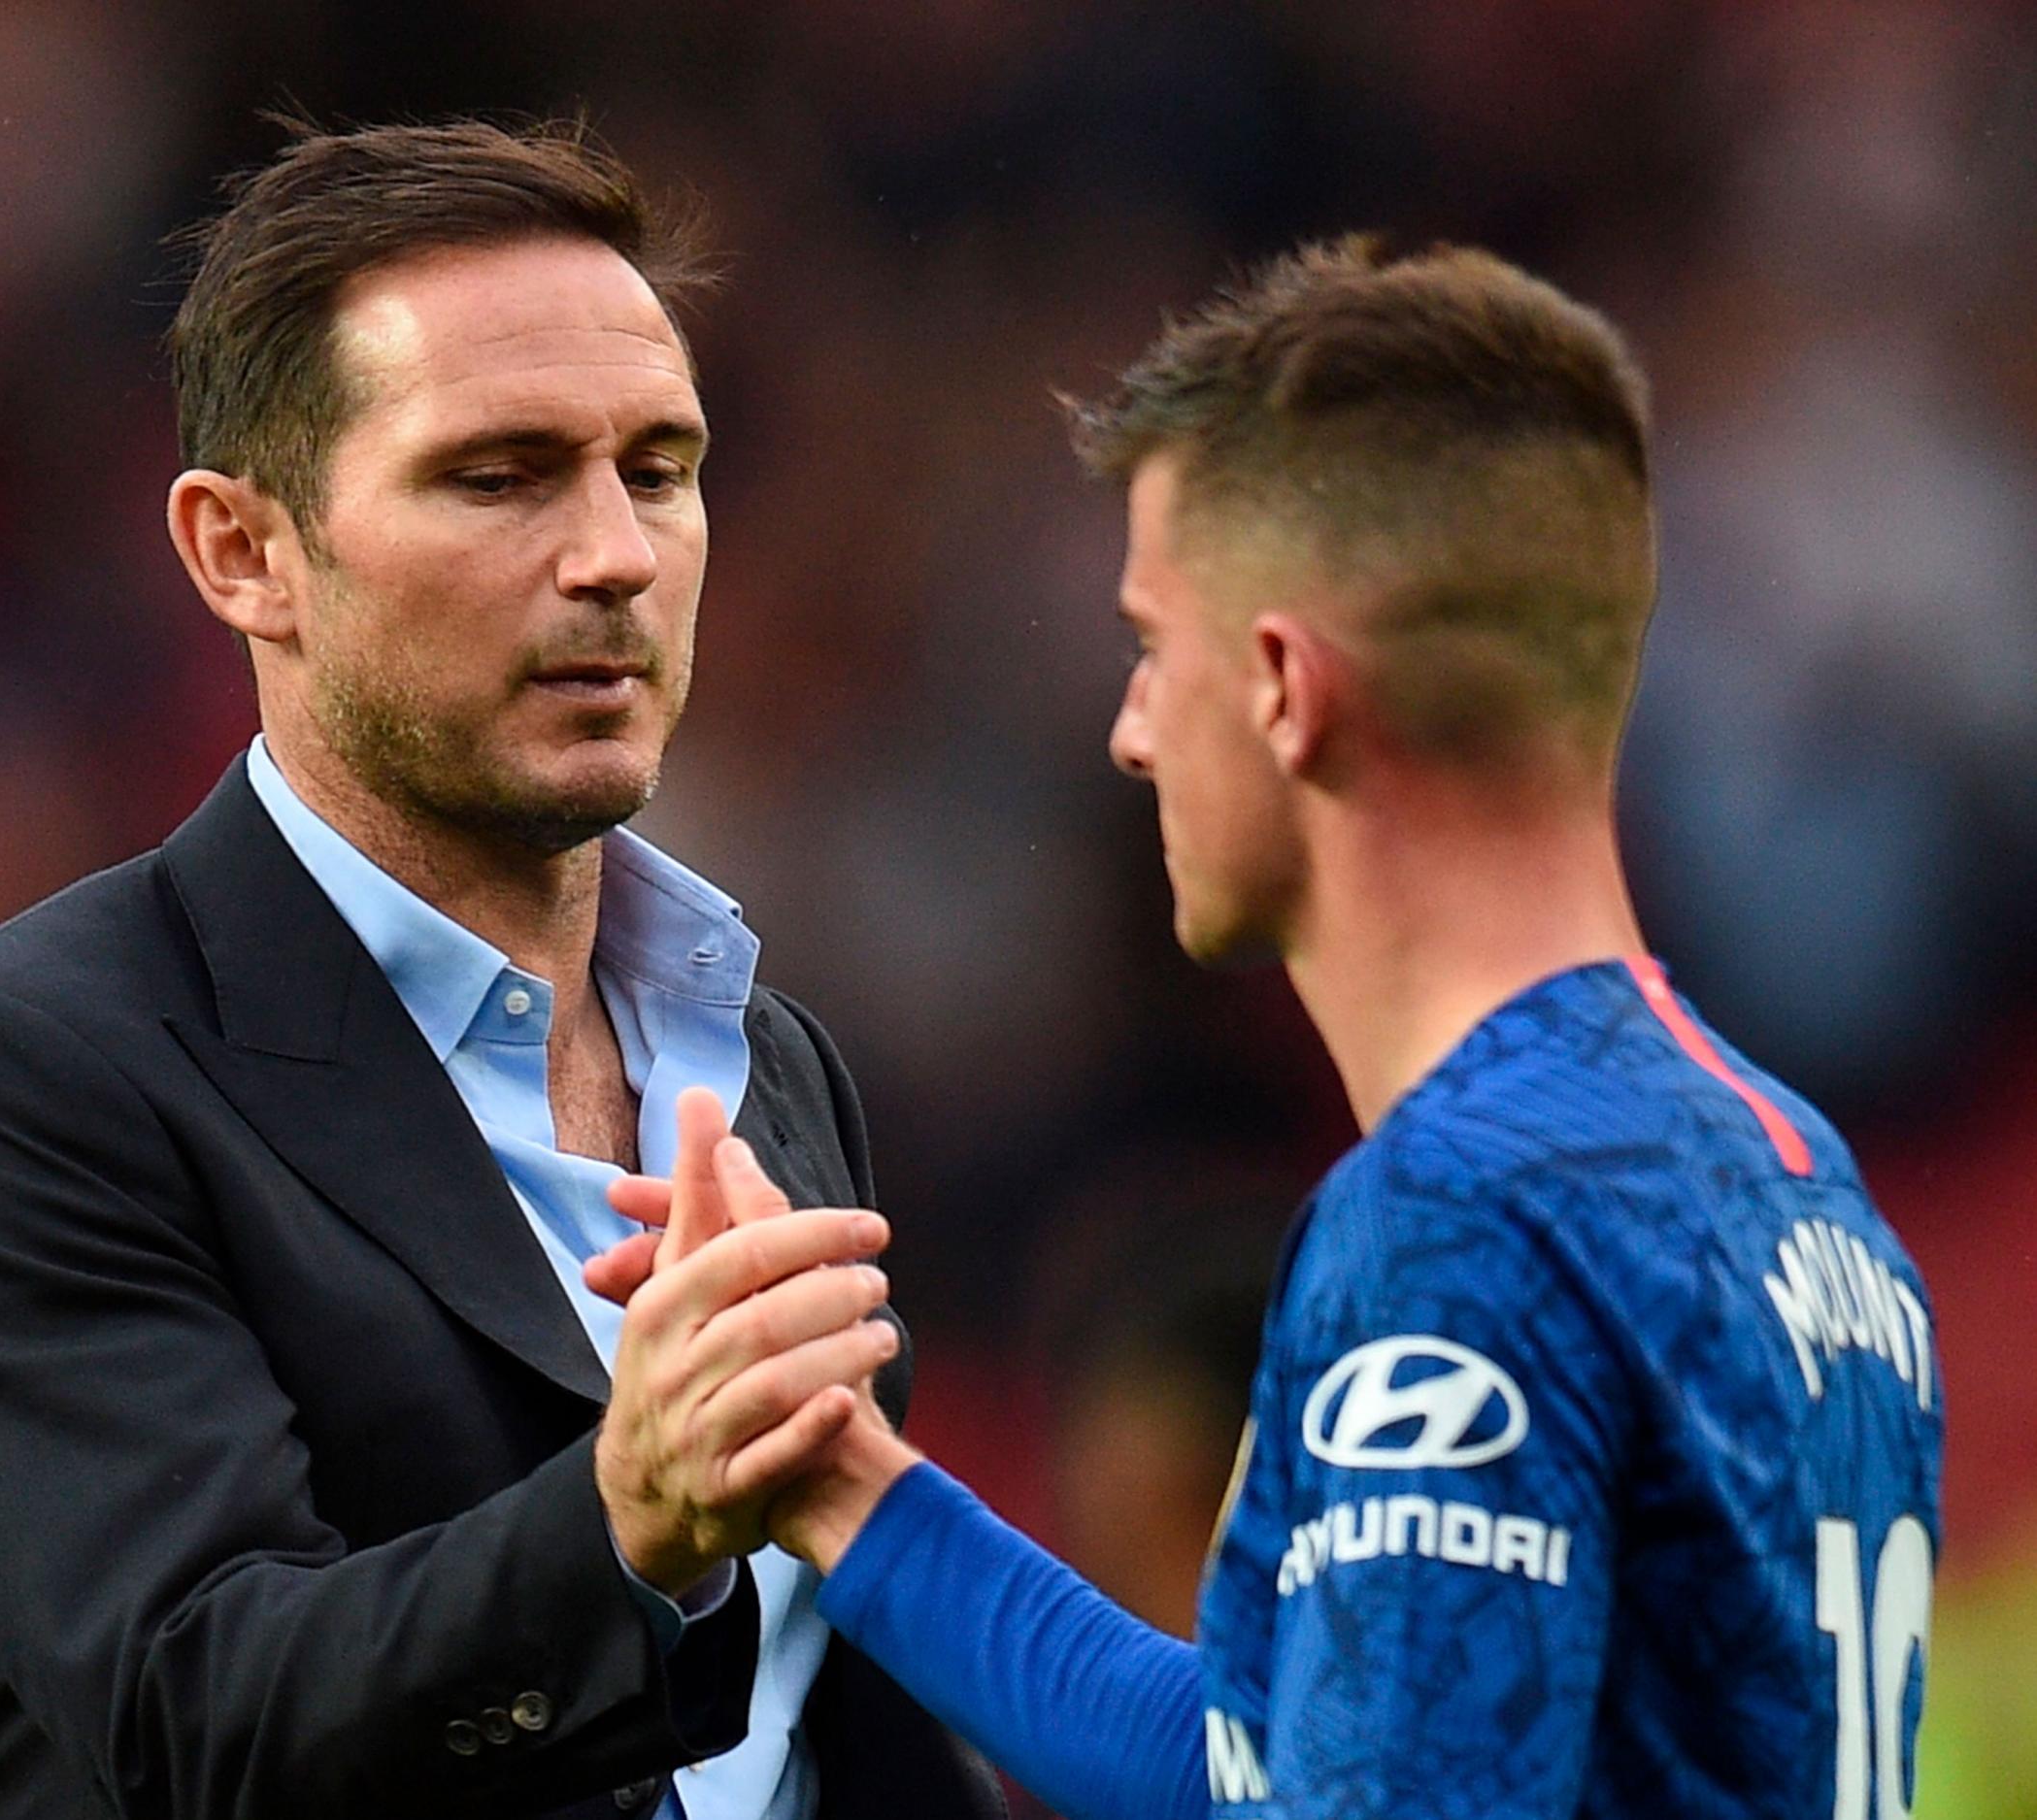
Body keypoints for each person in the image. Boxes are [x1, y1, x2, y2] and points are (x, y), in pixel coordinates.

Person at [593, 239, 1945, 1818]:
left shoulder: (1467, 1223)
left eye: (1155, 647)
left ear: (1287, 687)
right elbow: (1269, 1763)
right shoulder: (1798, 1187)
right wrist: (835, 1474)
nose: (1130, 727)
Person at [0, 117, 1003, 1820]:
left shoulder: (771, 1058)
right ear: (244, 552)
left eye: (657, 468)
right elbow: (196, 1716)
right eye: (498, 475)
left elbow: (836, 1715)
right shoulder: (14, 1082)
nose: (616, 557)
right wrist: (626, 1524)